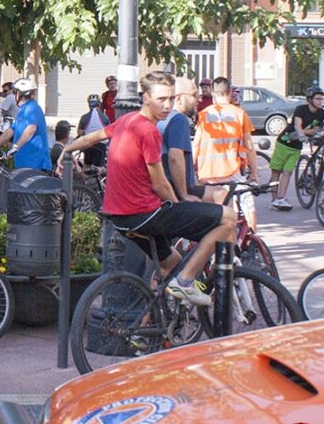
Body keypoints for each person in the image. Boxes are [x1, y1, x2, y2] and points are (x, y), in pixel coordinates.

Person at [57, 71, 236, 306]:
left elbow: (93, 137)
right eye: (161, 99)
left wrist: (66, 149)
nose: (167, 105)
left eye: (171, 99)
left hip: (121, 219)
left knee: (170, 261)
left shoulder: (126, 121)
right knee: (228, 219)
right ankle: (185, 282)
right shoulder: (148, 130)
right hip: (145, 214)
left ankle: (145, 328)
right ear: (146, 99)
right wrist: (179, 205)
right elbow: (160, 183)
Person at [193, 77, 259, 228]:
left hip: (207, 173)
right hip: (231, 171)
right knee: (247, 205)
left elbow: (196, 145)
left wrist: (192, 171)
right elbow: (249, 146)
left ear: (214, 94)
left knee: (211, 211)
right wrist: (254, 172)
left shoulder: (204, 114)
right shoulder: (239, 113)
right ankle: (251, 243)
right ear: (229, 92)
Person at [269, 85, 324, 210]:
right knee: (276, 171)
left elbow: (316, 129)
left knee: (288, 172)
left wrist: (310, 133)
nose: (321, 102)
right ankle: (273, 200)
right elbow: (297, 125)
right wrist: (302, 134)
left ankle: (281, 199)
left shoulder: (321, 113)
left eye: (322, 99)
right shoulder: (301, 109)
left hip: (296, 147)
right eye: (318, 99)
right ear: (310, 100)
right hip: (284, 143)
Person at [158, 77, 208, 202]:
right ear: (179, 98)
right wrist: (184, 195)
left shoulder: (161, 118)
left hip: (164, 190)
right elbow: (175, 158)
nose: (199, 99)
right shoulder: (179, 120)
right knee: (222, 197)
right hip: (174, 192)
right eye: (194, 95)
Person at [0, 78, 50, 171]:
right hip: (24, 163)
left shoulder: (32, 108)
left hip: (34, 163)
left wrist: (14, 148)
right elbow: (10, 131)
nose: (14, 95)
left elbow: (31, 129)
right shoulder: (23, 110)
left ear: (19, 94)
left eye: (14, 92)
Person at [76, 93, 110, 167]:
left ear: (89, 105)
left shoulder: (84, 117)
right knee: (99, 167)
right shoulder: (105, 117)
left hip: (88, 144)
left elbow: (79, 132)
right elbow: (109, 132)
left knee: (86, 166)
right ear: (99, 104)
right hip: (101, 145)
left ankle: (86, 177)